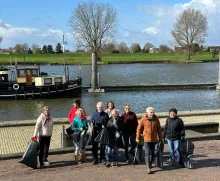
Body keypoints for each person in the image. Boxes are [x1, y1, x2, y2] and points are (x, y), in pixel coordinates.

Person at [136, 107, 162, 174]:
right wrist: (138, 138)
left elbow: (159, 129)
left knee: (153, 153)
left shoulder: (156, 119)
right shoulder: (143, 119)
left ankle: (149, 164)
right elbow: (139, 128)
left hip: (154, 139)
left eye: (153, 112)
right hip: (146, 139)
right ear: (147, 113)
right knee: (147, 153)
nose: (152, 113)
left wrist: (160, 138)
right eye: (151, 112)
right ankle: (148, 168)